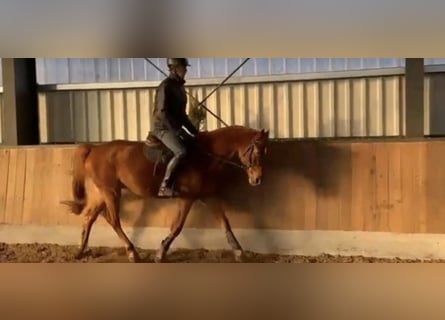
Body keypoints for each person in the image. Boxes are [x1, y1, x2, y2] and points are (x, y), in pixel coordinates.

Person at [150, 58, 199, 197]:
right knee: (181, 151)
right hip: (162, 128)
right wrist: (178, 131)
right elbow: (162, 113)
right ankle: (164, 186)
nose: (186, 70)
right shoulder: (165, 87)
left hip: (174, 127)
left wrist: (195, 131)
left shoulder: (180, 88)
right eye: (184, 67)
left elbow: (182, 115)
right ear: (175, 68)